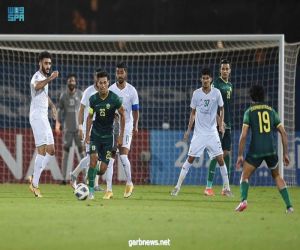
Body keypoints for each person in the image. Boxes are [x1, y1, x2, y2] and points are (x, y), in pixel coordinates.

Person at [171, 68, 230, 196]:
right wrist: (188, 130)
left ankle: (227, 188)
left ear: (211, 79)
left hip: (212, 133)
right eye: (203, 78)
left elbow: (222, 108)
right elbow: (192, 113)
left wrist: (221, 124)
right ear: (201, 79)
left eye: (207, 78)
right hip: (199, 134)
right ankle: (177, 187)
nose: (205, 80)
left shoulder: (217, 93)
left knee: (220, 159)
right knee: (190, 158)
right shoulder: (196, 94)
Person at [235, 85, 293, 213]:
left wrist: (240, 155)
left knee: (244, 176)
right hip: (271, 149)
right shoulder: (271, 110)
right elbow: (283, 132)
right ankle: (289, 206)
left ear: (251, 97)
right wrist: (285, 154)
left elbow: (244, 135)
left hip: (256, 150)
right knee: (277, 176)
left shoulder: (249, 112)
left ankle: (243, 201)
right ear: (263, 96)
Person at [85, 70, 125, 200]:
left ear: (108, 83)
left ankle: (90, 175)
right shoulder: (93, 99)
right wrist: (87, 134)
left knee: (102, 170)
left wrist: (120, 135)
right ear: (97, 84)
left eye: (104, 82)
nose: (102, 85)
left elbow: (123, 115)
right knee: (93, 160)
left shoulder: (115, 99)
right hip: (95, 135)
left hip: (108, 138)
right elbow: (90, 116)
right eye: (100, 83)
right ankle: (91, 190)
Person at [103, 62, 139, 199]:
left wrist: (135, 125)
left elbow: (136, 110)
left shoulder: (132, 90)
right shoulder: (110, 89)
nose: (120, 74)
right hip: (114, 126)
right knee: (110, 159)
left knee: (123, 156)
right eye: (118, 72)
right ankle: (109, 190)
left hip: (128, 126)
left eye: (122, 72)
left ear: (126, 73)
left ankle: (129, 183)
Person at [28, 51, 59, 197]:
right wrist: (51, 78)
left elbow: (44, 95)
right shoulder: (37, 77)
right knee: (41, 150)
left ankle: (35, 177)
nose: (48, 66)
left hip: (44, 117)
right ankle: (35, 185)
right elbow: (36, 87)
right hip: (36, 117)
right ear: (40, 63)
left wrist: (52, 106)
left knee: (51, 150)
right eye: (46, 63)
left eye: (50, 63)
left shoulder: (44, 78)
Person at [70, 68, 103, 191]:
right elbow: (81, 110)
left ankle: (75, 175)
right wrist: (80, 127)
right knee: (93, 156)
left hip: (101, 128)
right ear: (95, 78)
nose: (99, 80)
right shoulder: (88, 91)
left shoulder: (106, 92)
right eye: (97, 77)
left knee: (97, 156)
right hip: (88, 127)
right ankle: (90, 182)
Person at [204, 59, 233, 196]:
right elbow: (211, 106)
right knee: (216, 156)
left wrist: (226, 123)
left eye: (227, 69)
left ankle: (225, 187)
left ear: (230, 70)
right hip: (217, 125)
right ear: (220, 70)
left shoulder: (230, 85)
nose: (225, 71)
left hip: (228, 124)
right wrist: (219, 122)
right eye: (223, 69)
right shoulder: (215, 84)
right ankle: (208, 187)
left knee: (227, 154)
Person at [55, 74, 84, 185]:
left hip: (78, 129)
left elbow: (84, 110)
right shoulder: (63, 96)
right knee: (65, 153)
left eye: (73, 80)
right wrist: (58, 123)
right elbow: (59, 110)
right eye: (70, 80)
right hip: (67, 129)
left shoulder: (81, 94)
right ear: (67, 83)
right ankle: (63, 178)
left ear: (75, 83)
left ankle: (86, 178)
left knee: (82, 153)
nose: (72, 82)